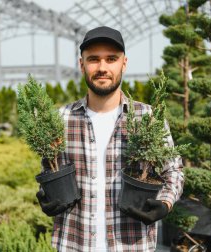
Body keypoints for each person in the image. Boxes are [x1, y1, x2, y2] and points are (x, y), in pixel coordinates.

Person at [36, 26, 184, 252]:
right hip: (74, 244)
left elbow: (173, 171)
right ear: (81, 64)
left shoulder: (148, 118)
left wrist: (164, 203)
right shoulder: (61, 120)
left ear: (123, 63)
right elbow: (50, 170)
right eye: (93, 59)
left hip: (132, 245)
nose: (102, 68)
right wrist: (46, 196)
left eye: (111, 59)